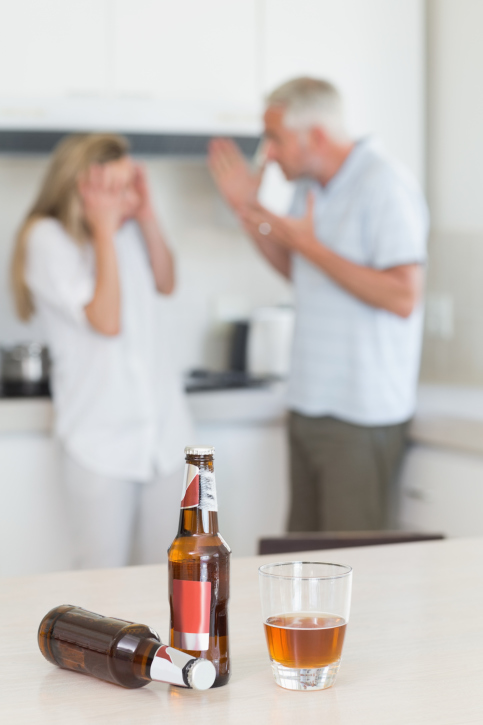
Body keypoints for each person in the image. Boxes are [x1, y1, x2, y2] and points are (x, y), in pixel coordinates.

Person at [209, 77, 428, 532]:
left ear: (318, 137)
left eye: (276, 139)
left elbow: (403, 296)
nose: (267, 153)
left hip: (359, 414)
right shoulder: (311, 186)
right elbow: (303, 274)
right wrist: (247, 211)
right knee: (302, 566)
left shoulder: (383, 183)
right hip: (310, 403)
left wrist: (310, 247)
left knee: (348, 568)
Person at [11, 133, 193, 568]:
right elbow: (106, 321)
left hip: (164, 437)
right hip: (100, 443)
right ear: (82, 187)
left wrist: (147, 215)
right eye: (116, 187)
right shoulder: (47, 239)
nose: (127, 196)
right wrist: (104, 231)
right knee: (102, 581)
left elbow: (166, 281)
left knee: (170, 575)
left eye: (131, 184)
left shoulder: (128, 230)